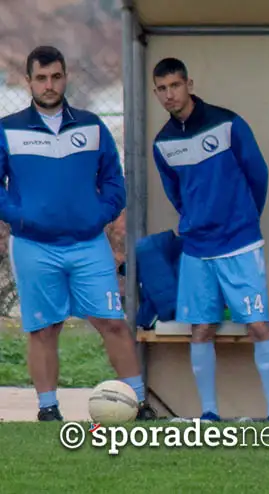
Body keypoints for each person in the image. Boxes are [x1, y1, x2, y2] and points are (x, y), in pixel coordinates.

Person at [0, 45, 154, 421]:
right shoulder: (8, 129)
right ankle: (48, 408)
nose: (49, 85)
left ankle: (139, 403)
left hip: (88, 245)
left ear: (65, 77)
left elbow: (114, 182)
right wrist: (20, 218)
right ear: (28, 82)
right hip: (33, 246)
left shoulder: (91, 125)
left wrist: (96, 217)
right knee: (43, 328)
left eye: (55, 77)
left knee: (112, 322)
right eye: (41, 78)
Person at [150, 57, 269, 423]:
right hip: (197, 248)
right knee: (202, 328)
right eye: (161, 89)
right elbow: (175, 194)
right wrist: (196, 220)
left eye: (174, 86)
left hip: (240, 241)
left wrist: (243, 217)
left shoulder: (228, 122)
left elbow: (258, 173)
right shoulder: (162, 142)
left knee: (258, 325)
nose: (168, 95)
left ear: (189, 84)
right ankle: (209, 413)